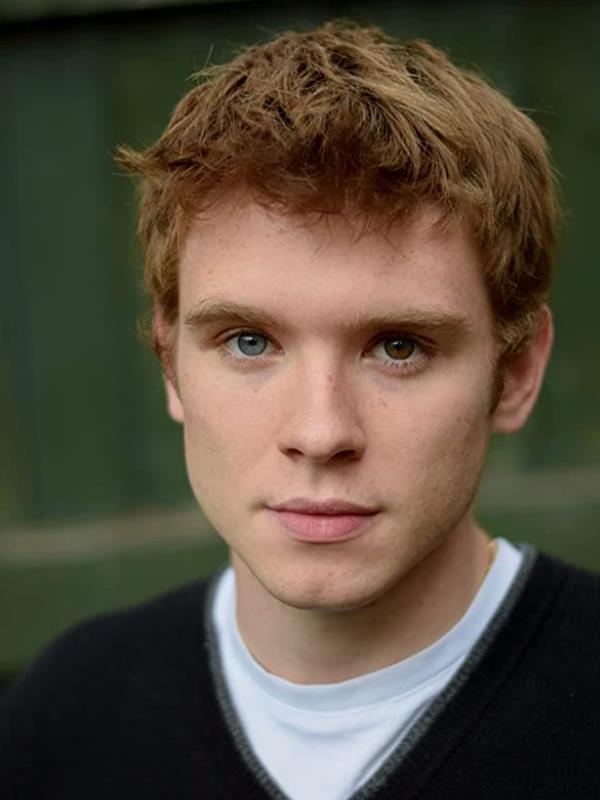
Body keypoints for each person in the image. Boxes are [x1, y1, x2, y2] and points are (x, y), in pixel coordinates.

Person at [1, 21, 598, 800]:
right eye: (249, 342)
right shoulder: (66, 720)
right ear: (170, 364)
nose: (320, 433)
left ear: (516, 373)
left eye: (398, 347)